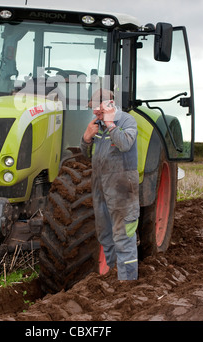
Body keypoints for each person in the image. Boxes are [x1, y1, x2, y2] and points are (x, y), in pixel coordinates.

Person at [80, 88, 139, 280]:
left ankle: (128, 282)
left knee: (123, 236)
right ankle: (115, 276)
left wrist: (111, 124)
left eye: (98, 109)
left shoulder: (127, 121)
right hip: (100, 187)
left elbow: (125, 144)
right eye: (93, 109)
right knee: (105, 235)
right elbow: (87, 154)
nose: (95, 113)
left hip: (122, 187)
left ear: (110, 104)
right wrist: (86, 139)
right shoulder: (97, 125)